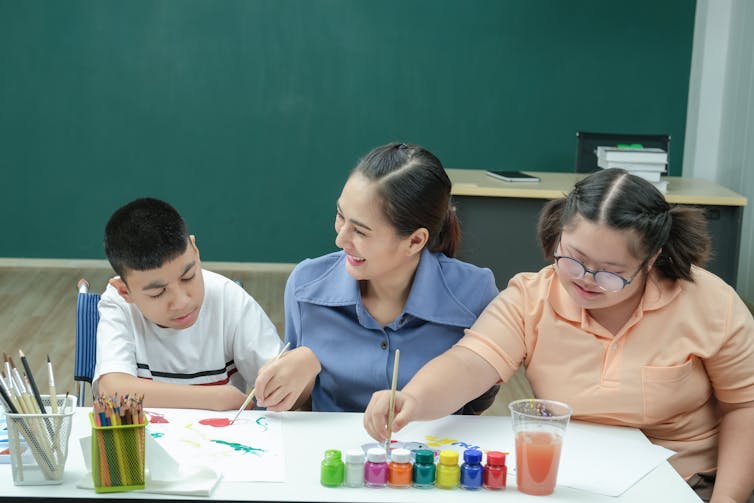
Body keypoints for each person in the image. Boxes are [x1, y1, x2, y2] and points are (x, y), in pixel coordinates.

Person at [363, 168, 754, 503]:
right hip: (573, 478)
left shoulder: (708, 302)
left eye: (609, 271)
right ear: (558, 234)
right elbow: (469, 362)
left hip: (682, 481)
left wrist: (728, 499)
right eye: (574, 258)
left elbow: (745, 406)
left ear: (651, 260)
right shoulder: (531, 298)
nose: (584, 280)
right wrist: (412, 397)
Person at [253, 142, 500, 413]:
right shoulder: (305, 287)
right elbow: (301, 410)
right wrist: (301, 374)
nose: (340, 239)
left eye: (360, 231)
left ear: (415, 241)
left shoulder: (474, 293)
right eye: (340, 216)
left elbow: (478, 401)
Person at [93, 197, 289, 411]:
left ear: (195, 250)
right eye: (158, 292)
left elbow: (283, 383)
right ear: (124, 290)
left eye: (188, 277)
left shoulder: (227, 298)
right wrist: (214, 398)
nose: (182, 302)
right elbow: (113, 389)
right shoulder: (117, 304)